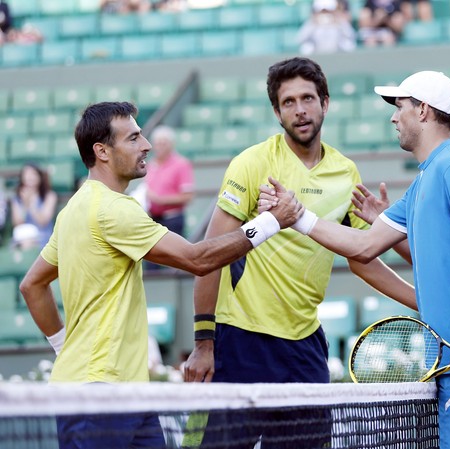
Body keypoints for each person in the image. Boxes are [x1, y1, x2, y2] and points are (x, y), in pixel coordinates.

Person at [261, 71, 450, 449]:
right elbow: (364, 246)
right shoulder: (427, 178)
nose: (393, 117)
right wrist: (298, 217)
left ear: (422, 111)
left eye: (400, 107)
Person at [18, 101, 303, 449]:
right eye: (134, 138)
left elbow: (32, 285)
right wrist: (272, 222)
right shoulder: (113, 209)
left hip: (128, 394)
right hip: (99, 397)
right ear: (102, 151)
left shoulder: (73, 209)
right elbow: (198, 259)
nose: (147, 145)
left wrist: (65, 349)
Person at [183, 57, 416, 447]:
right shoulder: (253, 163)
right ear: (276, 112)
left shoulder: (346, 173)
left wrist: (419, 299)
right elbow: (209, 255)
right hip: (240, 339)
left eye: (307, 98)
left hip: (304, 347)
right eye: (288, 102)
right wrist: (204, 343)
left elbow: (363, 257)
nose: (300, 109)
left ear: (326, 103)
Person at [144, 125, 195, 238]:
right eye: (157, 143)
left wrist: (160, 200)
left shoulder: (181, 164)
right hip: (153, 219)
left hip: (172, 220)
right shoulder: (151, 165)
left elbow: (188, 197)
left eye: (164, 143)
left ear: (171, 144)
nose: (160, 147)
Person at [10, 163, 58, 250]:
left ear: (39, 176)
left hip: (42, 236)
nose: (29, 177)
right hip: (22, 236)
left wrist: (31, 204)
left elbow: (43, 221)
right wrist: (25, 204)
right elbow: (17, 223)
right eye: (26, 174)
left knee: (28, 244)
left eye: (33, 174)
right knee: (23, 243)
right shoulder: (17, 198)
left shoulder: (49, 196)